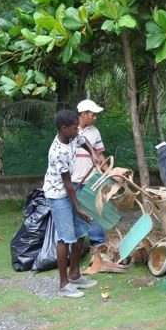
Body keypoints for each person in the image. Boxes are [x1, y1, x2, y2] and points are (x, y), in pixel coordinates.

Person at [43, 109, 102, 298]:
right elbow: (67, 184)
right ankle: (63, 285)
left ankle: (75, 275)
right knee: (65, 238)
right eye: (75, 127)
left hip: (70, 191)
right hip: (58, 194)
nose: (78, 130)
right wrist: (77, 208)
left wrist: (93, 153)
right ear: (63, 128)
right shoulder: (57, 152)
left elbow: (84, 142)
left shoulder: (72, 137)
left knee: (80, 233)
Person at [72, 99, 107, 248]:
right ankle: (76, 243)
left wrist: (110, 173)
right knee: (75, 212)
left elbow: (100, 155)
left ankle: (98, 244)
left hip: (91, 179)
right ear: (84, 114)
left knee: (94, 211)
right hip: (73, 180)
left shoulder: (95, 132)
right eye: (92, 114)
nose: (95, 117)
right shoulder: (69, 130)